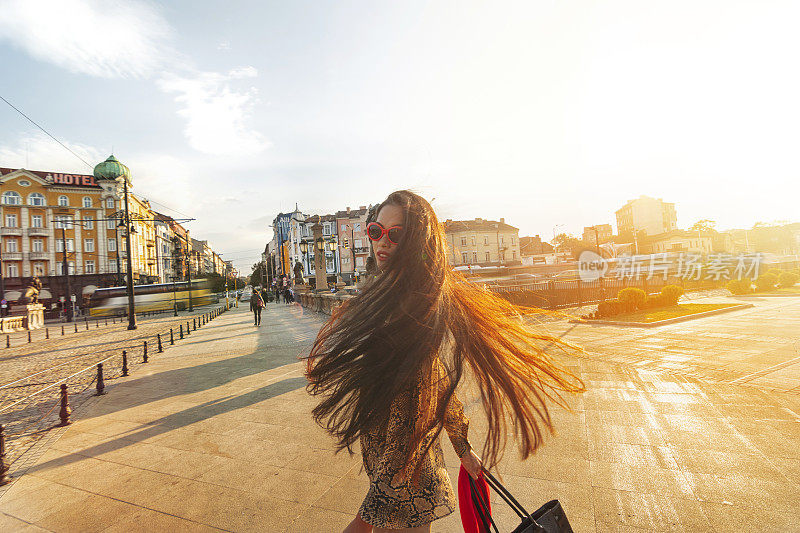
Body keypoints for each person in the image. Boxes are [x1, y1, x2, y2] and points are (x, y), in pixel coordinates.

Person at [305, 190, 586, 532]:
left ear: (416, 241)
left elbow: (420, 398)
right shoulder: (391, 296)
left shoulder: (412, 307)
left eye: (396, 234)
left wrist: (375, 503)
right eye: (376, 231)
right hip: (391, 465)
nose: (383, 242)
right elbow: (438, 382)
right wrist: (462, 447)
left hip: (403, 472)